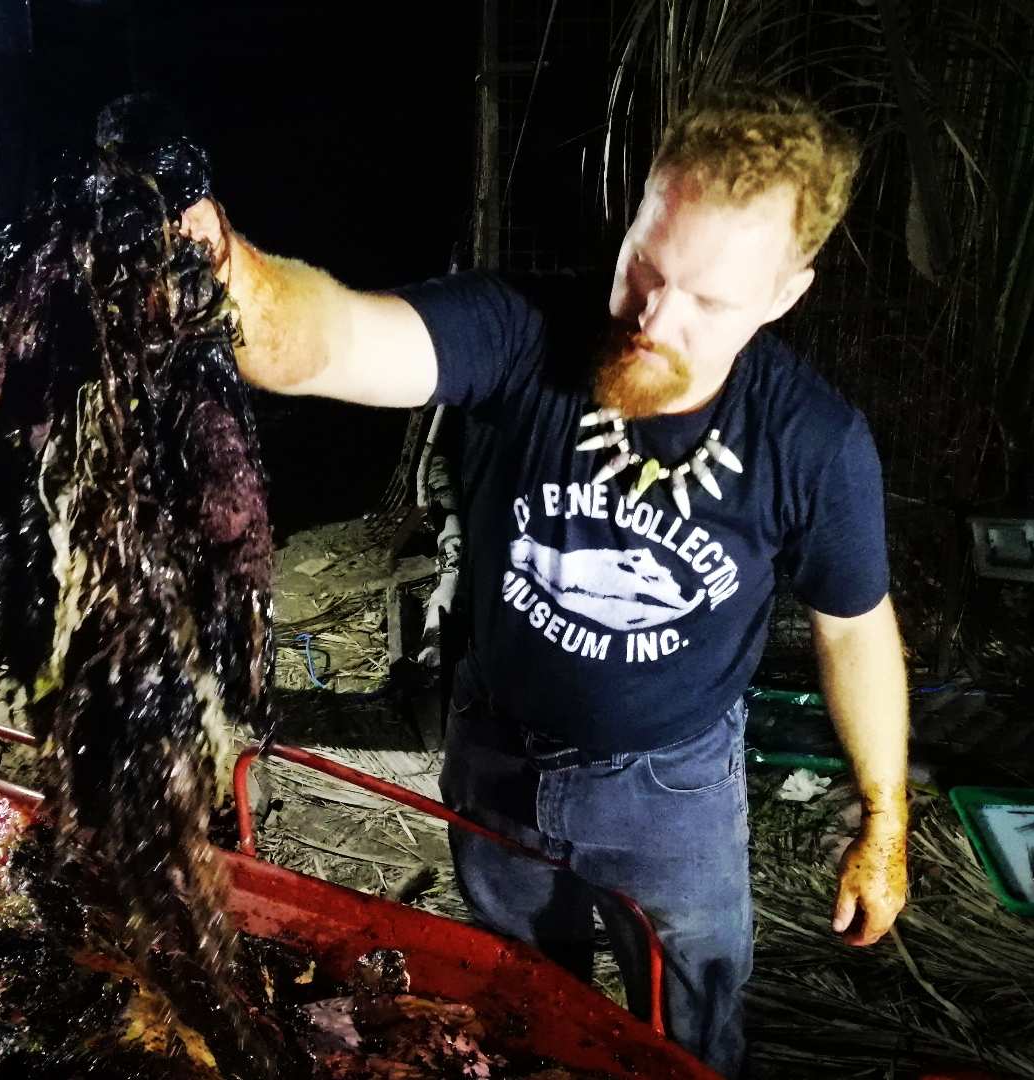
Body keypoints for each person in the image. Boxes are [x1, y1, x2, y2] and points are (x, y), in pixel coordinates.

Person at [183, 85, 912, 1076]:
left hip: (673, 790)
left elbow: (854, 627)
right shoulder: (523, 331)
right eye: (646, 265)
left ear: (785, 295)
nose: (654, 317)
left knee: (692, 1027)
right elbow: (337, 341)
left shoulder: (813, 440)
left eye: (709, 301)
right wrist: (229, 273)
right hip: (498, 754)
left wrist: (885, 816)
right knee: (517, 1009)